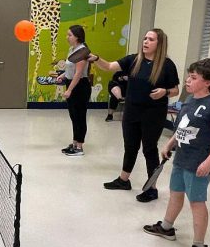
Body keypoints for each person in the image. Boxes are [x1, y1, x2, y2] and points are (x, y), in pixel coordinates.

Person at [142, 58, 210, 247]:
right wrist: (170, 143)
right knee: (175, 194)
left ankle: (199, 246)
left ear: (208, 82)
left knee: (197, 202)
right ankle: (166, 227)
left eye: (193, 78)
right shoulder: (191, 100)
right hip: (182, 158)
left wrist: (209, 162)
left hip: (199, 163)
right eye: (188, 76)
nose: (187, 81)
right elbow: (182, 126)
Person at [89, 29, 180, 201]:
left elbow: (175, 90)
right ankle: (124, 180)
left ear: (159, 44)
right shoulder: (134, 60)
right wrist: (96, 59)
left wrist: (164, 91)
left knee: (149, 149)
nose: (145, 41)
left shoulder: (167, 65)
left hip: (153, 113)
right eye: (145, 38)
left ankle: (152, 188)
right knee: (130, 146)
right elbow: (109, 66)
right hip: (132, 111)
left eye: (150, 39)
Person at [56, 25, 92, 157]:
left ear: (77, 37)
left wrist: (70, 90)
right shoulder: (72, 49)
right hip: (72, 83)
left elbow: (78, 73)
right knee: (73, 116)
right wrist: (63, 75)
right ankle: (74, 143)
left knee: (80, 116)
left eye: (69, 35)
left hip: (80, 86)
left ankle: (80, 147)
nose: (67, 37)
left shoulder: (82, 51)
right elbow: (70, 69)